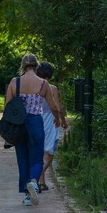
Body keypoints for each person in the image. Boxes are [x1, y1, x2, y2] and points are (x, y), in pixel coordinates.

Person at [5, 53, 60, 206]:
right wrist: (56, 118)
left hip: (19, 125)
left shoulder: (14, 82)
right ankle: (34, 181)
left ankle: (28, 195)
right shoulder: (43, 84)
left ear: (23, 65)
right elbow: (53, 106)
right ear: (37, 66)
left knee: (23, 159)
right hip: (36, 122)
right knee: (37, 158)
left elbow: (7, 107)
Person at [36, 62, 68, 191]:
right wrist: (63, 121)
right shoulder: (52, 88)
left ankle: (41, 183)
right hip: (50, 120)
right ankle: (35, 177)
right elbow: (57, 108)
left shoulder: (34, 86)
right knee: (49, 154)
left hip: (37, 119)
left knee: (39, 153)